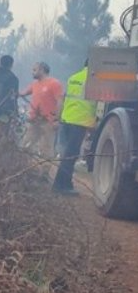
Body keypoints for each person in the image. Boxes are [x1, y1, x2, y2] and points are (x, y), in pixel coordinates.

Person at [52, 61, 97, 195]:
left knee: (67, 154)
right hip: (80, 121)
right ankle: (61, 185)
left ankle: (65, 183)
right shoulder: (94, 80)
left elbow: (67, 98)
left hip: (67, 119)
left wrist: (58, 117)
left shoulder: (74, 77)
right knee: (70, 155)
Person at [20, 62, 64, 177]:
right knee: (26, 144)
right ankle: (23, 168)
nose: (32, 72)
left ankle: (44, 174)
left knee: (47, 148)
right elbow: (22, 93)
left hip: (48, 121)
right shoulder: (35, 84)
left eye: (34, 70)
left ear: (42, 70)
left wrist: (56, 119)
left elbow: (60, 101)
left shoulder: (54, 83)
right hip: (34, 120)